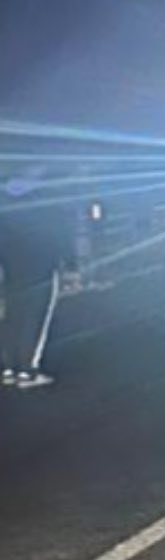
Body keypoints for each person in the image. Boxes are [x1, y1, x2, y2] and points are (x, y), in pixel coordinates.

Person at [1, 159, 74, 391]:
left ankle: (8, 367)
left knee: (13, 315)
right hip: (40, 265)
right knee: (34, 317)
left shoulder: (5, 197)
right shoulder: (46, 199)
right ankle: (27, 368)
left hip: (11, 265)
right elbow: (59, 233)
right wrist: (69, 263)